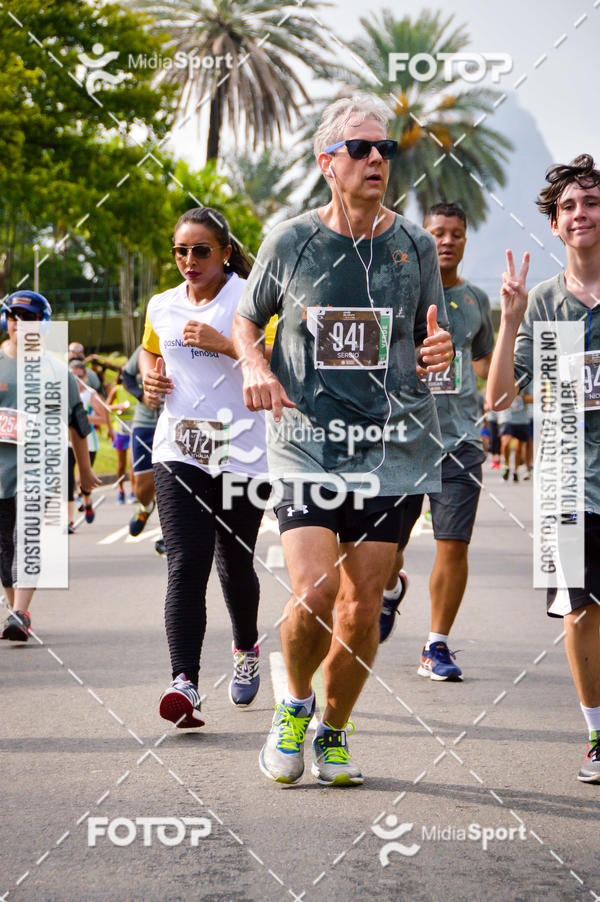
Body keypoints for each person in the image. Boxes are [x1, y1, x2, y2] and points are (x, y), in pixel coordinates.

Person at [232, 93, 453, 786]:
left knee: (362, 610)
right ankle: (293, 707)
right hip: (306, 440)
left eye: (385, 149)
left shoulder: (412, 245)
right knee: (316, 594)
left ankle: (333, 729)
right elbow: (246, 320)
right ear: (328, 162)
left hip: (392, 450)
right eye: (360, 148)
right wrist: (257, 364)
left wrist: (438, 350)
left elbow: (432, 332)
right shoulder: (290, 240)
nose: (376, 160)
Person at [486, 153, 600, 783]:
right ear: (555, 227)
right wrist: (507, 323)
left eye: (590, 202)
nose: (580, 214)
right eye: (568, 208)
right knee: (580, 612)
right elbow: (500, 399)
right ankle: (596, 735)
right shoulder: (545, 304)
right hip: (567, 481)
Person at [140, 206, 269, 725]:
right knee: (185, 562)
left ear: (224, 252)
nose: (189, 261)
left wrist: (228, 344)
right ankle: (185, 684)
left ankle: (244, 649)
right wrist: (151, 378)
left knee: (234, 563)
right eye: (180, 251)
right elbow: (150, 353)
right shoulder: (161, 305)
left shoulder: (251, 297)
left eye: (200, 251)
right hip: (181, 446)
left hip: (243, 447)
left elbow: (282, 362)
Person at [378, 203, 495, 682]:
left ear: (465, 240)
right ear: (420, 239)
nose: (446, 241)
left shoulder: (475, 303)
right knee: (386, 551)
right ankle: (390, 589)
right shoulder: (394, 297)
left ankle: (436, 645)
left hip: (460, 442)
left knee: (453, 545)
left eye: (455, 234)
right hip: (402, 440)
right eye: (436, 233)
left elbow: (487, 367)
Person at [0, 292, 100, 640]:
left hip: (39, 470)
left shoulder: (58, 371)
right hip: (1, 473)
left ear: (42, 326)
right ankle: (16, 613)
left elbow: (78, 425)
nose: (19, 324)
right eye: (13, 316)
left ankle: (19, 611)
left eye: (27, 319)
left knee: (27, 539)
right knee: (4, 548)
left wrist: (85, 471)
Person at [121, 344, 164, 552]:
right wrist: (142, 396)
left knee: (179, 479)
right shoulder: (147, 347)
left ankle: (169, 534)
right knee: (142, 488)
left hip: (178, 422)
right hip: (145, 424)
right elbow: (126, 376)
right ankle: (146, 506)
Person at [68, 358, 112, 529]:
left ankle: (86, 501)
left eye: (80, 376)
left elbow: (103, 417)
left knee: (83, 479)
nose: (77, 380)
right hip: (66, 441)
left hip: (87, 441)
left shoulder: (90, 394)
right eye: (74, 376)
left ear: (85, 377)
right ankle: (69, 520)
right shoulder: (62, 392)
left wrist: (84, 418)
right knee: (67, 479)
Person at [107, 370, 136, 503]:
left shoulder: (137, 389)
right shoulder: (116, 390)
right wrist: (117, 406)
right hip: (120, 430)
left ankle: (133, 491)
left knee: (132, 463)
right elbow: (106, 407)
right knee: (121, 464)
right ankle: (121, 490)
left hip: (134, 429)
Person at [498, 384, 532, 482]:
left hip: (522, 419)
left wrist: (519, 397)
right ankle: (507, 466)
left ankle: (515, 471)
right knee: (506, 443)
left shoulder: (526, 379)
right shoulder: (502, 377)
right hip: (506, 417)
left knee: (518, 449)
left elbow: (533, 398)